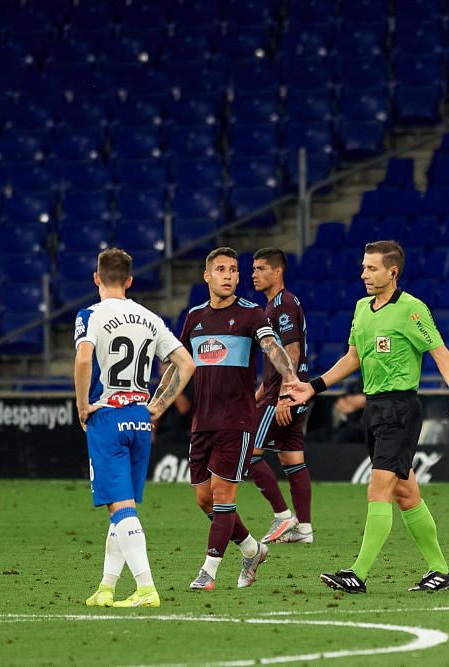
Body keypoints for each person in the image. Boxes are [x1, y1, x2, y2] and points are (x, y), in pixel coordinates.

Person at [283, 240, 449, 594]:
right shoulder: (361, 308)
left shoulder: (411, 309)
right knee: (406, 494)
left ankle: (358, 573)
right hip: (374, 410)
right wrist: (314, 386)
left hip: (401, 409)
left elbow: (440, 351)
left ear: (392, 272)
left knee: (379, 489)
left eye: (371, 268)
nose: (364, 274)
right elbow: (353, 358)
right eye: (363, 267)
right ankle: (440, 570)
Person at [75, 248, 196, 608]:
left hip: (108, 416)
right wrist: (158, 404)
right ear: (129, 280)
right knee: (121, 507)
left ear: (97, 278)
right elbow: (186, 363)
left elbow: (84, 358)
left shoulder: (91, 315)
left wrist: (83, 405)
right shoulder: (150, 318)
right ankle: (107, 587)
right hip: (140, 419)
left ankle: (146, 588)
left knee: (120, 506)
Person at [173, 247, 299, 590]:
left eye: (233, 270)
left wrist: (288, 377)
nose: (228, 275)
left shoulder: (252, 314)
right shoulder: (194, 318)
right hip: (202, 422)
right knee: (204, 499)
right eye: (221, 269)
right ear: (207, 276)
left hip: (238, 421)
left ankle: (208, 571)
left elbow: (273, 347)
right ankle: (251, 549)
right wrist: (158, 405)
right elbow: (179, 365)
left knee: (224, 495)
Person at [247, 248, 314, 545]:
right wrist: (259, 394)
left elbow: (293, 350)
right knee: (292, 459)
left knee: (248, 454)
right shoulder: (274, 306)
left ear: (277, 272)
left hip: (285, 394)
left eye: (261, 268)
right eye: (253, 269)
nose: (254, 274)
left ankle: (283, 516)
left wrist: (286, 395)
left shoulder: (283, 305)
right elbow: (276, 363)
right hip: (282, 391)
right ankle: (305, 530)